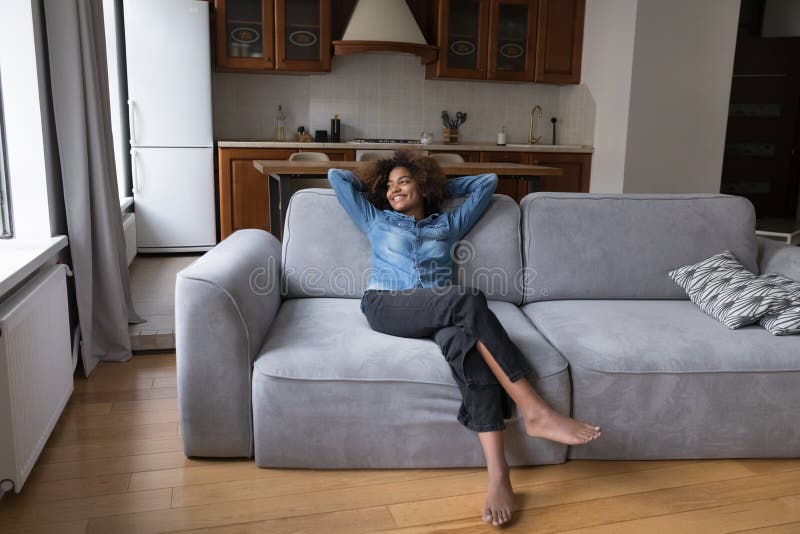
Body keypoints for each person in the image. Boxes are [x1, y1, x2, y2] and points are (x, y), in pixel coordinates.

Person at [328, 150, 601, 527]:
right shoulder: (376, 220)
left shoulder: (447, 224)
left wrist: (434, 188)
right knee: (468, 297)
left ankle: (498, 475)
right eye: (389, 186)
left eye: (404, 181)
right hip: (388, 305)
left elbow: (487, 182)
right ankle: (535, 411)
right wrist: (382, 187)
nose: (395, 190)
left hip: (443, 311)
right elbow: (336, 178)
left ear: (422, 186)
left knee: (468, 350)